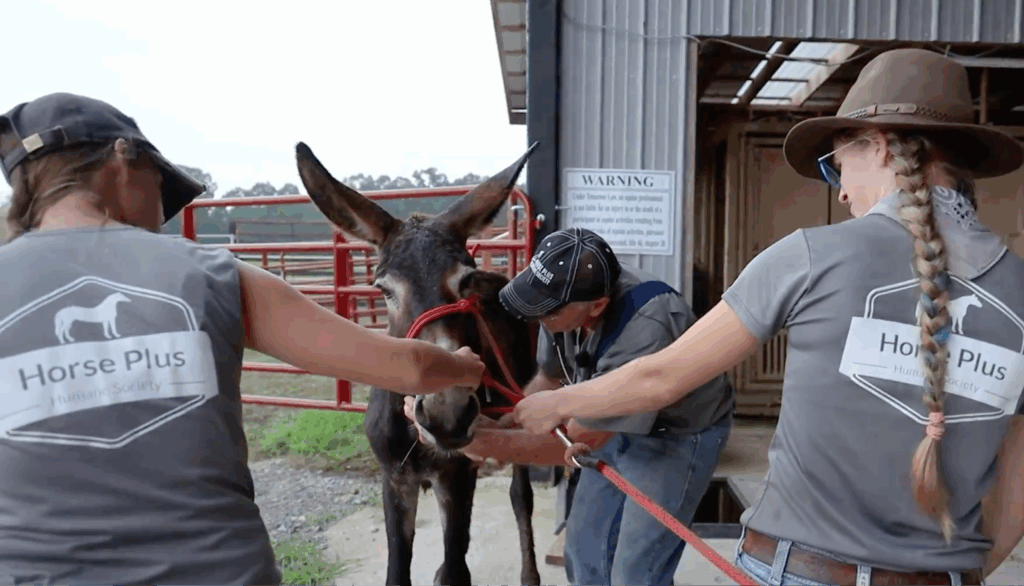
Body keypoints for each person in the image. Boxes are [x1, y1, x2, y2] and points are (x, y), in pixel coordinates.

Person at [512, 48, 1024, 586]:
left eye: (836, 167)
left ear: (876, 146)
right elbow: (1016, 485)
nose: (842, 192)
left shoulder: (810, 256)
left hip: (797, 570)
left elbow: (661, 377)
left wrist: (557, 402)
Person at [0, 92, 485, 584]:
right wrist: (465, 367)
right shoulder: (211, 275)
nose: (162, 213)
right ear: (123, 160)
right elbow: (409, 368)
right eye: (162, 187)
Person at [408, 227, 735, 586]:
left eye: (545, 311)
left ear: (596, 306)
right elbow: (548, 378)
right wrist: (508, 425)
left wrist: (485, 444)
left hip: (676, 433)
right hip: (608, 424)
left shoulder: (646, 325)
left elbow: (583, 438)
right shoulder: (559, 299)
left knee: (636, 573)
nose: (536, 316)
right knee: (583, 553)